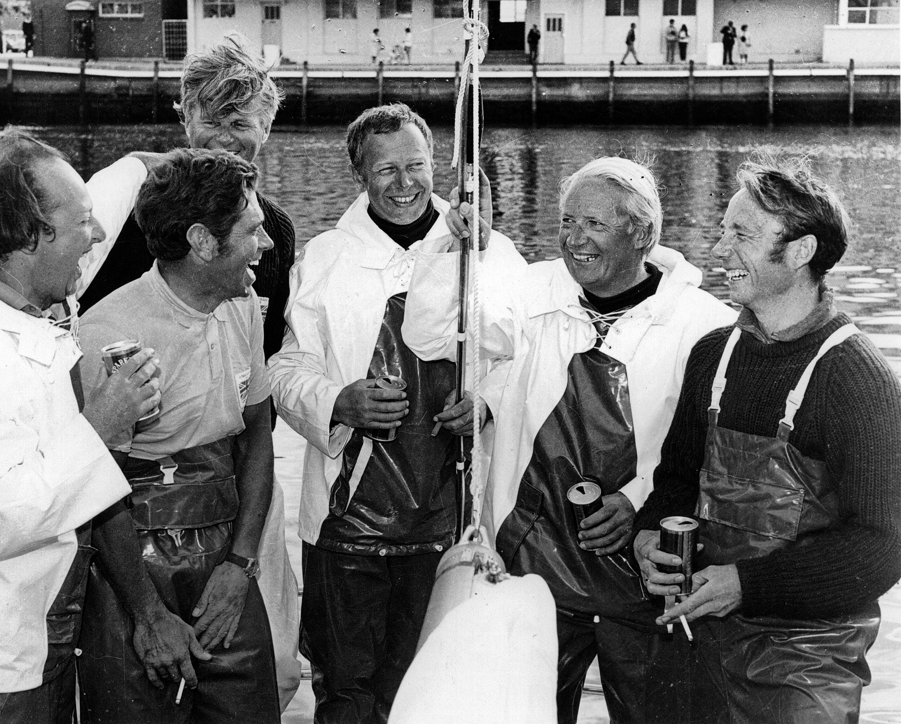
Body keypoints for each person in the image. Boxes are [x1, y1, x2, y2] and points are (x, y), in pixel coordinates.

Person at [401, 157, 735, 723]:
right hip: (533, 568)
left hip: (641, 574)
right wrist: (459, 247)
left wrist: (636, 506)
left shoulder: (703, 324)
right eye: (567, 222)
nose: (574, 240)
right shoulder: (531, 289)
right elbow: (432, 334)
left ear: (643, 235)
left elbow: (708, 451)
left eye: (595, 226)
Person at [267, 103, 526, 724]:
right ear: (360, 175)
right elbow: (285, 370)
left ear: (437, 162)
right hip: (346, 521)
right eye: (387, 170)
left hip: (451, 510)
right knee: (347, 687)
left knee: (432, 687)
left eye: (416, 165)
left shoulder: (490, 253)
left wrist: (487, 402)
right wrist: (339, 400)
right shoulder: (325, 259)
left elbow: (526, 356)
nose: (406, 183)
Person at [0, 128, 159, 724]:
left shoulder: (8, 282)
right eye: (81, 225)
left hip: (37, 633)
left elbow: (109, 198)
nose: (95, 239)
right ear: (29, 239)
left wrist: (152, 162)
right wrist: (99, 426)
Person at [633, 154, 901, 723]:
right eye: (724, 230)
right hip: (693, 637)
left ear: (801, 252)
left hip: (806, 661)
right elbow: (675, 484)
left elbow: (882, 547)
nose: (720, 248)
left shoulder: (856, 378)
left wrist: (746, 585)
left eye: (742, 235)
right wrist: (648, 537)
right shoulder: (713, 355)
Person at [77, 36, 302, 709]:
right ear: (183, 117)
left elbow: (261, 373)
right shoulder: (117, 219)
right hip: (121, 487)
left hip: (236, 480)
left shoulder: (273, 237)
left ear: (268, 125)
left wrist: (239, 554)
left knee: (275, 673)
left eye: (245, 123)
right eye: (213, 119)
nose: (230, 139)